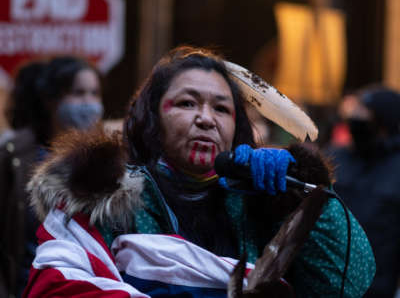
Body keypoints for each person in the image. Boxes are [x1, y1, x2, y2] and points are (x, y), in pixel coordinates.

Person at [23, 46, 375, 297]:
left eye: (221, 108)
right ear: (152, 118)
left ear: (236, 126)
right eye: (187, 103)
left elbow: (348, 282)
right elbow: (57, 286)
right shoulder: (104, 197)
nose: (206, 118)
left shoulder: (261, 202)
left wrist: (302, 193)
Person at [0, 56, 104, 297]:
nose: (89, 103)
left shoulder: (108, 160)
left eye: (95, 93)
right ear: (51, 100)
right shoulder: (14, 158)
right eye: (78, 93)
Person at [327, 86, 400, 298]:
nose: (355, 119)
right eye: (355, 112)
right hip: (325, 282)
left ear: (383, 123)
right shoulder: (334, 157)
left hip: (377, 288)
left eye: (364, 113)